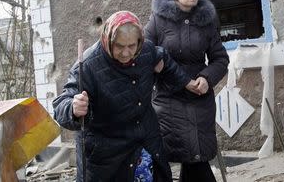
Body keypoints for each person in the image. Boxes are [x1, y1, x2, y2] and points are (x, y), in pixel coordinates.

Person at [53, 11, 199, 182]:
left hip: (145, 140)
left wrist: (187, 82)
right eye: (119, 46)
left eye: (131, 46)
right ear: (108, 39)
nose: (126, 53)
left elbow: (164, 59)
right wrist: (72, 108)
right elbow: (60, 104)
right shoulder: (87, 65)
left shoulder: (146, 50)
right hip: (107, 153)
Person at [144, 0, 230, 182]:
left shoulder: (206, 22)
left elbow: (220, 59)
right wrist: (179, 79)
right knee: (178, 154)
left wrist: (206, 79)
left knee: (196, 155)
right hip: (168, 96)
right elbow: (145, 51)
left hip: (200, 97)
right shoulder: (158, 20)